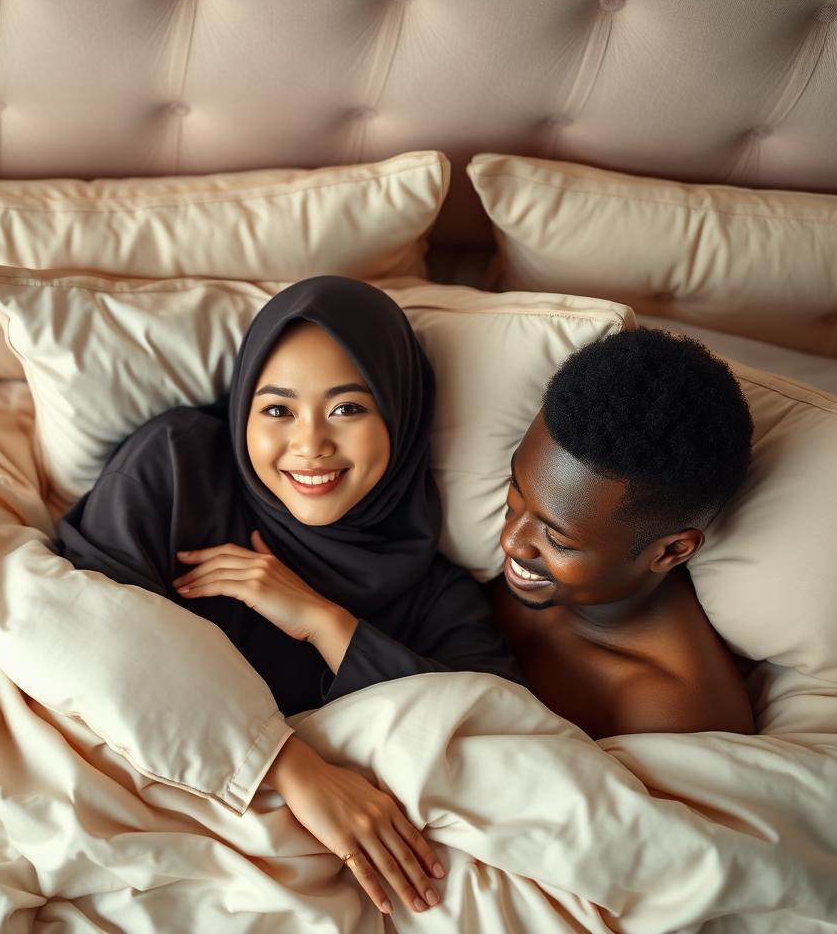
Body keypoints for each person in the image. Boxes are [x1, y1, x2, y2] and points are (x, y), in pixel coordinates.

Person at [56, 275, 522, 916]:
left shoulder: (435, 591)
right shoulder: (176, 465)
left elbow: (500, 743)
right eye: (277, 410)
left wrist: (326, 623)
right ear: (243, 406)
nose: (310, 445)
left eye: (348, 408)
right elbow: (80, 634)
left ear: (401, 414)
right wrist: (288, 766)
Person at [490, 327, 757, 741]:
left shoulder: (668, 717)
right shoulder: (493, 559)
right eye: (515, 495)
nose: (511, 540)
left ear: (670, 552)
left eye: (558, 540)